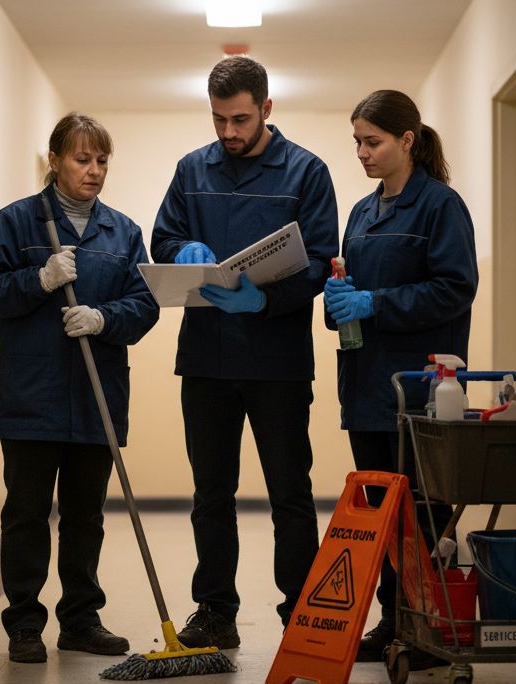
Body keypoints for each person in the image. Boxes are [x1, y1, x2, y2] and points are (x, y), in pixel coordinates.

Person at [151, 56, 339, 649]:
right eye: (218, 121)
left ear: (266, 109)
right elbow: (164, 237)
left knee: (290, 492)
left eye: (239, 119)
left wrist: (265, 300)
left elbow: (318, 260)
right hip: (206, 360)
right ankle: (214, 612)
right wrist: (182, 248)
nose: (228, 133)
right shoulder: (190, 170)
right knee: (211, 495)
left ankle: (301, 614)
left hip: (278, 361)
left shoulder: (307, 172)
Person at [0, 113, 159, 664]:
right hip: (31, 397)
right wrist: (38, 280)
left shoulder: (123, 233)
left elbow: (143, 305)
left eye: (102, 161)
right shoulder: (16, 223)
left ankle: (81, 619)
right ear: (55, 161)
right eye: (82, 159)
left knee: (86, 516)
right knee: (26, 513)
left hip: (96, 397)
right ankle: (25, 624)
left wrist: (103, 318)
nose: (94, 171)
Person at [322, 90, 478, 664]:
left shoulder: (440, 206)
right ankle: (393, 623)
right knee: (380, 513)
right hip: (367, 388)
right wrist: (338, 300)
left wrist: (374, 303)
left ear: (407, 140)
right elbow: (352, 292)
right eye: (357, 142)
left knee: (421, 509)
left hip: (419, 391)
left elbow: (455, 289)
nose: (362, 153)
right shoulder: (363, 213)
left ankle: (429, 630)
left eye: (373, 141)